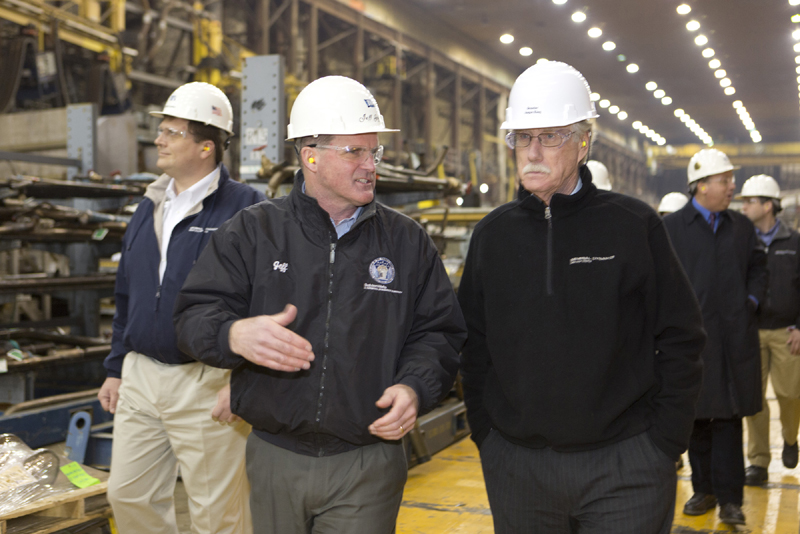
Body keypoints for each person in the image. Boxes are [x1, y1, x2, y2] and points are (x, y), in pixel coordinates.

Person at [173, 75, 466, 534]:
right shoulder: (253, 232)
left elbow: (439, 332)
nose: (371, 165)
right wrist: (233, 335)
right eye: (355, 152)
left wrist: (415, 387)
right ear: (310, 154)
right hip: (274, 457)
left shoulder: (406, 241)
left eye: (375, 152)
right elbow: (192, 315)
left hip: (368, 461)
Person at [458, 60, 705, 534]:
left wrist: (663, 443)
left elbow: (680, 336)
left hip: (625, 464)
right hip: (518, 467)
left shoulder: (632, 225)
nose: (532, 151)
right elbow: (474, 344)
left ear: (583, 142)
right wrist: (487, 435)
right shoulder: (492, 236)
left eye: (549, 136)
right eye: (522, 137)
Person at [98, 81, 265, 534]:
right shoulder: (149, 204)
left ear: (206, 146)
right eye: (162, 130)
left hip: (207, 380)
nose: (159, 139)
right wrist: (116, 367)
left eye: (172, 132)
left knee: (216, 513)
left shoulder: (247, 210)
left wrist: (244, 381)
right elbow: (128, 291)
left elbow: (264, 302)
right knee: (128, 494)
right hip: (141, 375)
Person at [663, 148, 767, 526]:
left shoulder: (740, 227)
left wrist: (750, 300)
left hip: (733, 341)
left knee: (727, 420)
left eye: (731, 180)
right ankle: (702, 490)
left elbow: (759, 266)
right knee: (696, 420)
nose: (732, 187)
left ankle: (730, 499)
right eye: (725, 181)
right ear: (701, 186)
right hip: (692, 344)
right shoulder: (673, 229)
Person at [739, 174, 800, 486]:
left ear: (768, 205)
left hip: (786, 331)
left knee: (790, 393)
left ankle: (791, 438)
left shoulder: (794, 241)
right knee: (754, 400)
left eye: (750, 201)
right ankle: (758, 462)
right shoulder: (741, 241)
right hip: (751, 331)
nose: (744, 205)